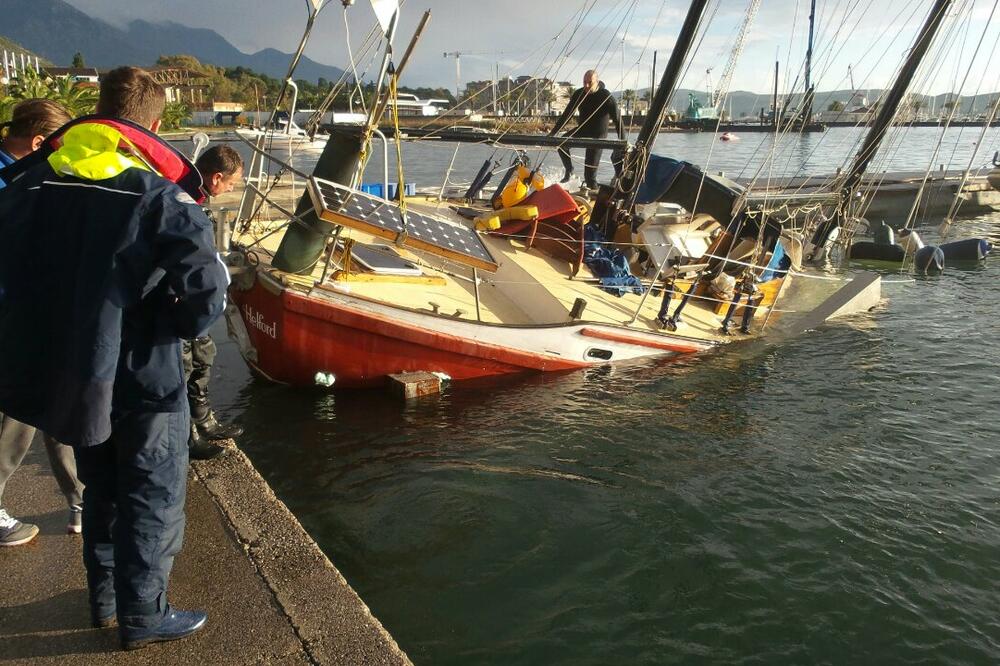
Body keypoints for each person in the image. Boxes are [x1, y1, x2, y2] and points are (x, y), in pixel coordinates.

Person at [0, 67, 229, 650]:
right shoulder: (155, 194)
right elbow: (206, 293)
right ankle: (144, 615)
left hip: (75, 368)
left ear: (97, 109)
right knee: (150, 493)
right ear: (152, 126)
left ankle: (103, 599)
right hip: (146, 373)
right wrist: (165, 326)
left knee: (99, 488)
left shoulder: (31, 181)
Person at [0, 98, 86, 547]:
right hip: (18, 316)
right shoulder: (16, 185)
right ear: (38, 143)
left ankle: (79, 502)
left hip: (26, 312)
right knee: (24, 413)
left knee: (54, 405)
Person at [186, 144, 244, 461]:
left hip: (202, 305)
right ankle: (189, 435)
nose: (233, 189)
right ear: (217, 177)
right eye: (232, 183)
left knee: (203, 357)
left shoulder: (198, 200)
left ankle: (204, 419)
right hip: (184, 303)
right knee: (182, 367)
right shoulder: (182, 200)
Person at [549, 70, 625, 191]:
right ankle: (569, 170)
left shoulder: (606, 96)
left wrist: (623, 141)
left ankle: (594, 198)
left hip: (598, 136)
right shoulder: (579, 94)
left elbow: (617, 120)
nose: (586, 86)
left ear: (597, 82)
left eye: (590, 83)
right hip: (583, 130)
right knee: (562, 144)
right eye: (584, 82)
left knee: (589, 177)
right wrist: (552, 134)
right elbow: (567, 115)